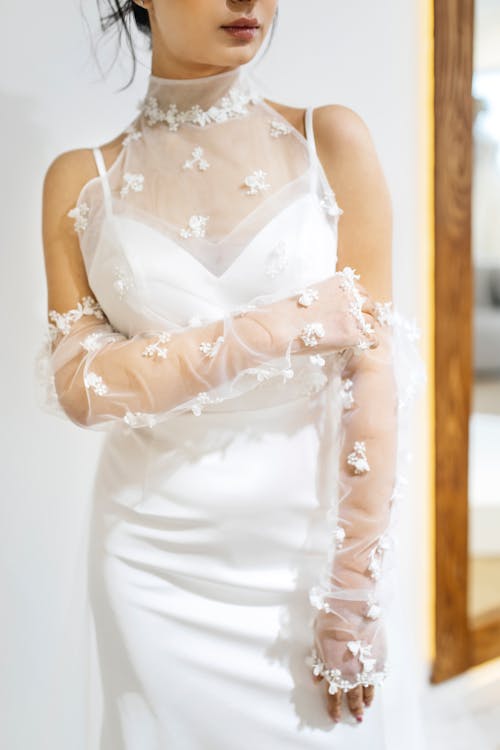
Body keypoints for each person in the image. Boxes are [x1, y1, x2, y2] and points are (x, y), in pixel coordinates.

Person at [36, 0, 426, 747]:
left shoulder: (330, 140)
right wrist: (271, 327)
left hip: (313, 546)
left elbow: (373, 371)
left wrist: (352, 591)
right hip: (154, 558)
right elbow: (82, 386)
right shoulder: (82, 182)